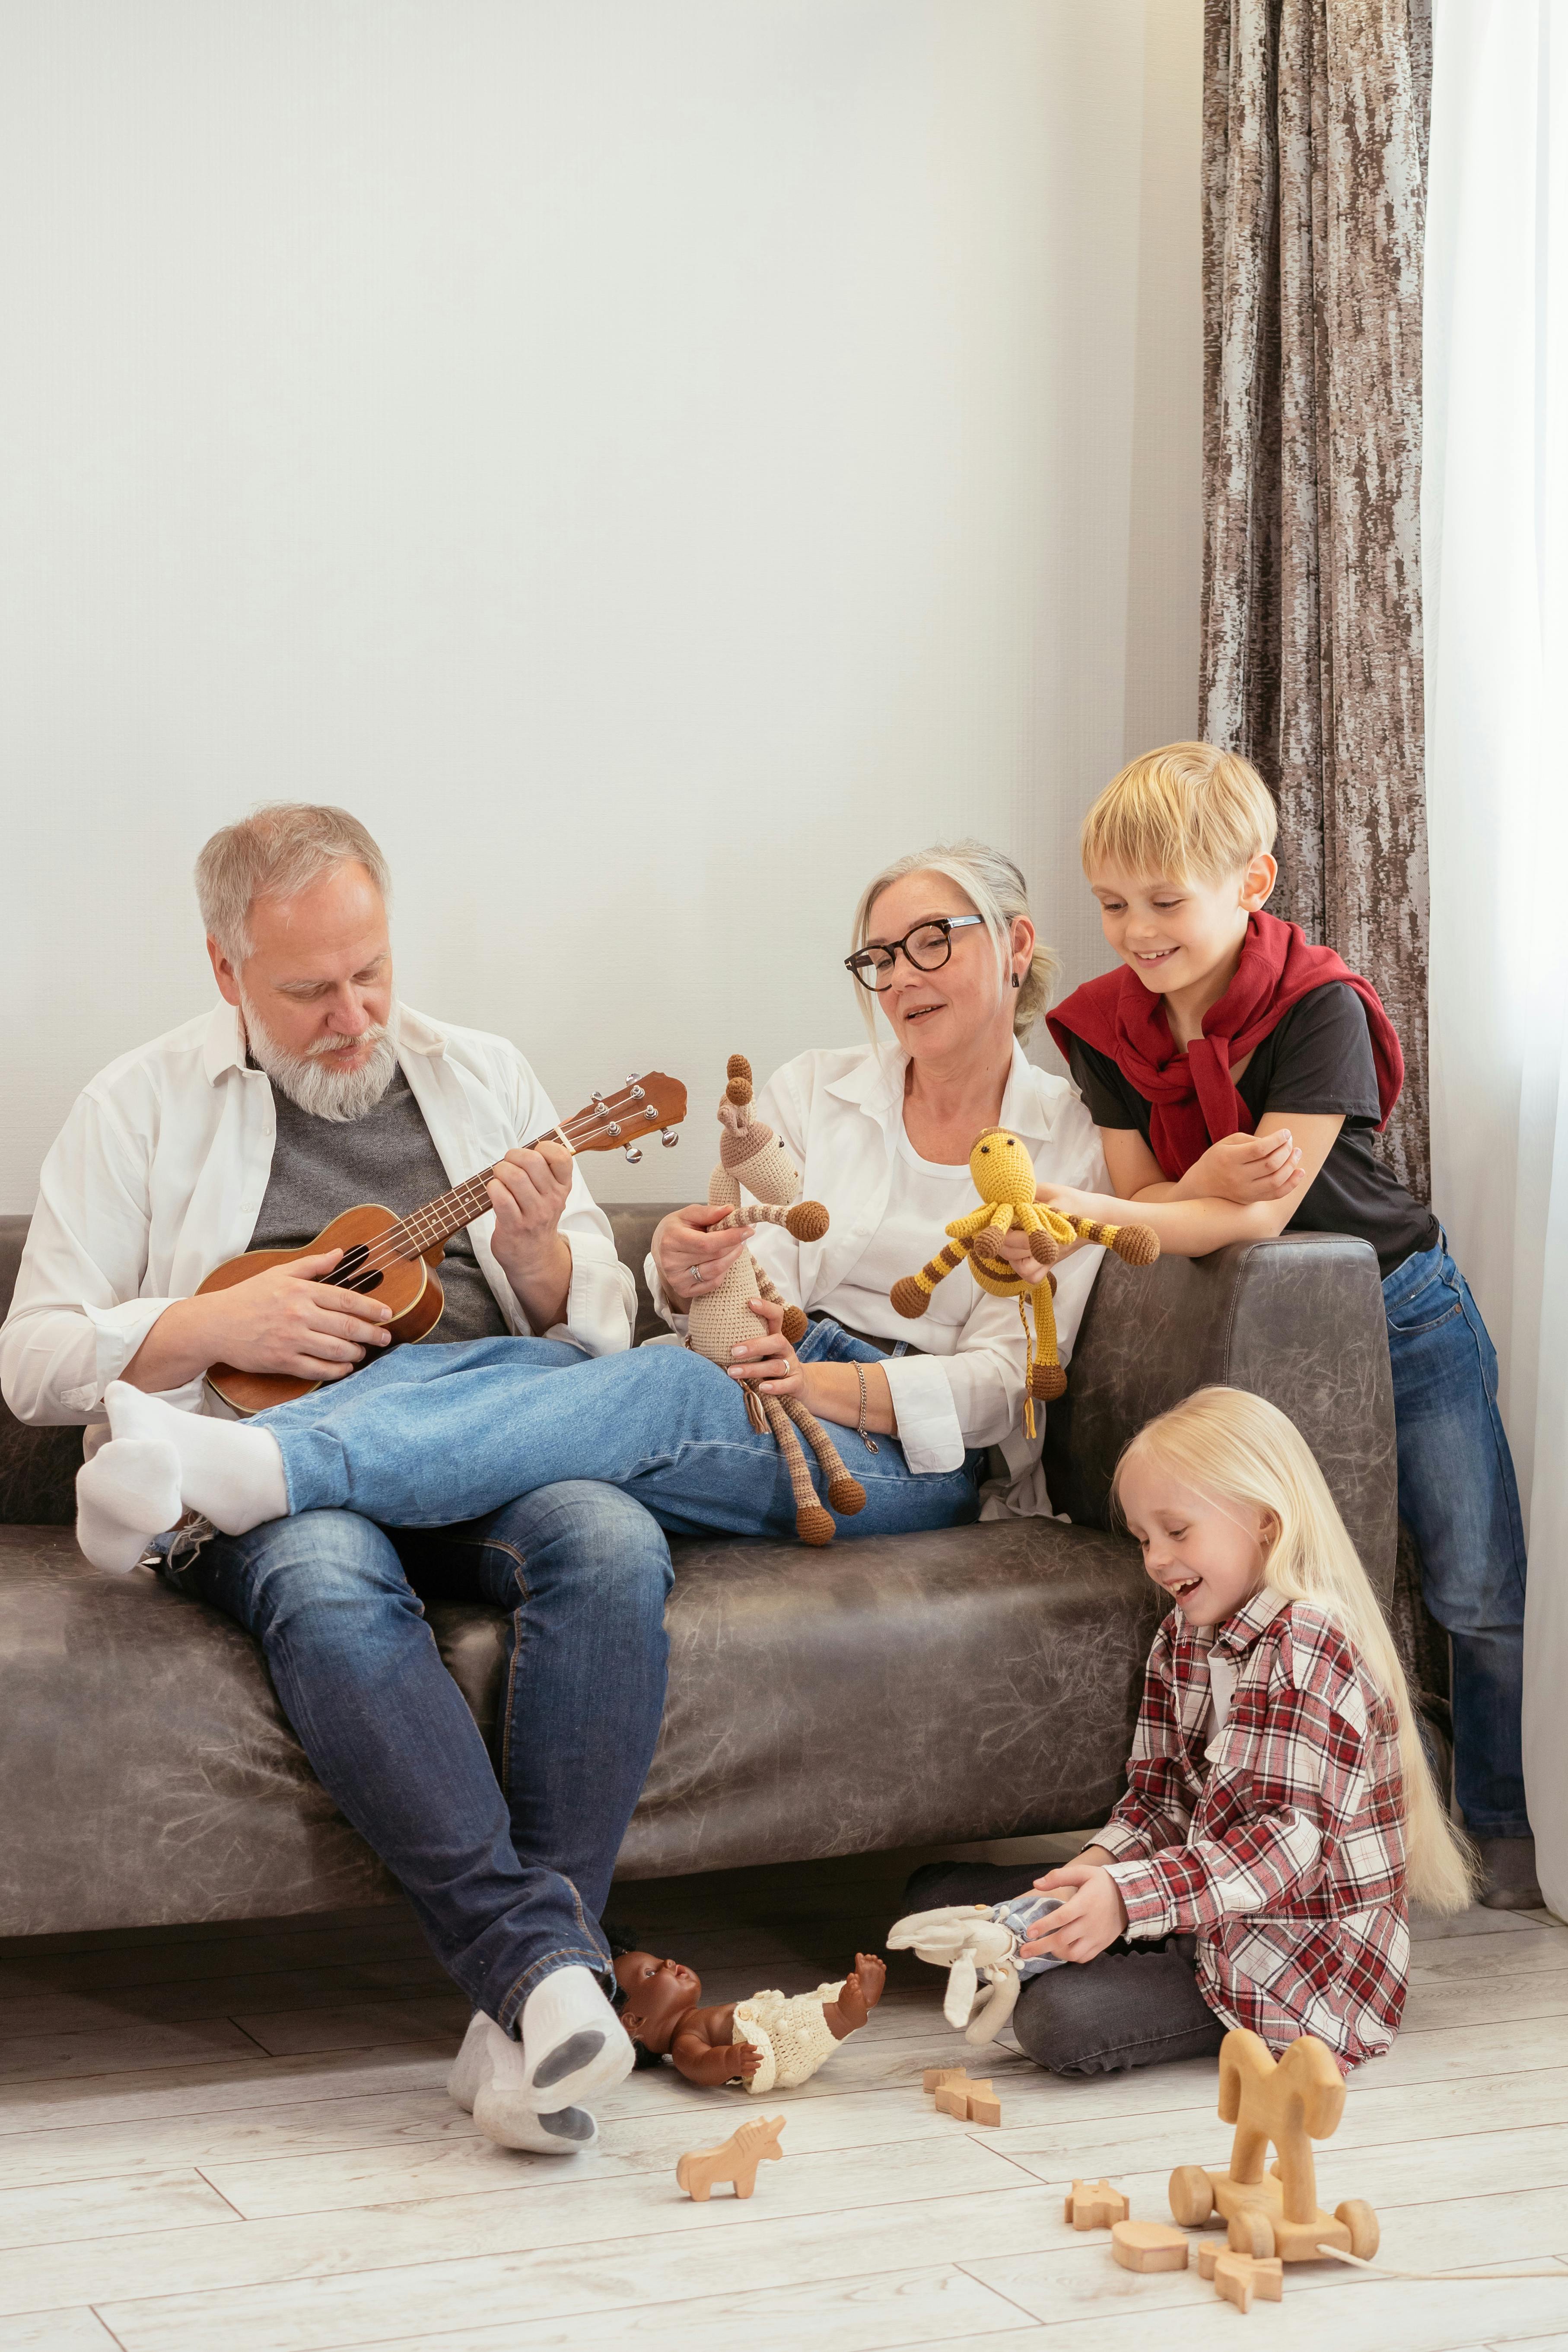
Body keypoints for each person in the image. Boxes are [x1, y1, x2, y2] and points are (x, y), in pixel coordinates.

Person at [0, 803, 674, 2156]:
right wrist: (206, 1330)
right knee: (320, 1570)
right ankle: (543, 1974)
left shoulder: (480, 1073)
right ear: (223, 970)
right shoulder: (136, 1104)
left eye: (372, 971)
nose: (353, 1013)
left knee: (609, 1536)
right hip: (281, 1485)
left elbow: (589, 1318)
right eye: (310, 989)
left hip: (491, 1434)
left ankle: (518, 2009)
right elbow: (33, 1360)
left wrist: (542, 1256)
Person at [72, 838, 1116, 1553]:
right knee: (520, 1359)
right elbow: (751, 1288)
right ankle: (221, 1456)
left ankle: (250, 1472)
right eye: (880, 956)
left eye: (934, 940)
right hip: (767, 1377)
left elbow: (1003, 1385)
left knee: (660, 1390)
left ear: (1017, 945)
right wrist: (689, 1270)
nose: (902, 976)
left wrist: (821, 1389)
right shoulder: (809, 1089)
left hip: (902, 1449)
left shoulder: (1070, 1142)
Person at [987, 742, 1533, 1911]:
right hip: (1257, 1332)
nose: (1135, 930)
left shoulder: (1317, 1005)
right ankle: (1339, 1835)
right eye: (1112, 903)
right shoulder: (1098, 1028)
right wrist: (1173, 1193)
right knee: (1309, 1595)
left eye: (1164, 900)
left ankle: (1500, 1823)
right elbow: (1156, 1209)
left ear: (1250, 881)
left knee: (1472, 1584)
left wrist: (1109, 1206)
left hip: (1398, 1307)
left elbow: (1266, 1215)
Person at [900, 1387, 1475, 2079]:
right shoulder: (1183, 1634)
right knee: (931, 1896)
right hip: (1198, 1902)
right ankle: (1061, 1944)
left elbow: (1279, 1852)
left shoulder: (1309, 1645)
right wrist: (1098, 1867)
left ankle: (1062, 1963)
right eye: (1145, 1538)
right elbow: (1155, 1800)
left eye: (1177, 1531)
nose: (1156, 1559)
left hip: (1288, 1964)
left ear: (1263, 1520)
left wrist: (1125, 1901)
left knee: (1060, 2022)